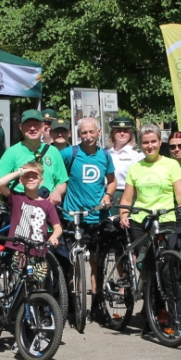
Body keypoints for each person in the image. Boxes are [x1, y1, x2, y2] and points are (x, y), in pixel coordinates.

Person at [53, 117, 117, 294]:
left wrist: (108, 195)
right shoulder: (69, 153)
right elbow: (57, 176)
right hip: (72, 217)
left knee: (97, 262)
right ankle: (73, 304)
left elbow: (111, 181)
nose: (88, 136)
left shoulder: (104, 155)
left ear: (98, 133)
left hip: (98, 216)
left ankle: (97, 303)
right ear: (78, 134)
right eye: (84, 132)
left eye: (91, 132)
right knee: (70, 263)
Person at [117, 126, 181, 257]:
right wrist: (123, 215)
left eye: (153, 141)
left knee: (167, 265)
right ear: (140, 145)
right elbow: (127, 198)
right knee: (146, 264)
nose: (150, 146)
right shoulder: (135, 168)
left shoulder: (172, 165)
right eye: (145, 142)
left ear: (160, 142)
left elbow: (180, 193)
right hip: (140, 221)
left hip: (165, 219)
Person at [0, 110, 68, 210]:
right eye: (28, 125)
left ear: (43, 127)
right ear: (21, 128)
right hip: (20, 208)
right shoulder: (12, 152)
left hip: (47, 208)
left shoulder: (53, 151)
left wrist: (57, 193)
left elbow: (62, 181)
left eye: (36, 124)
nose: (32, 128)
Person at [0, 162, 63, 255]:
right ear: (21, 180)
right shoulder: (16, 198)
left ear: (41, 181)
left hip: (39, 251)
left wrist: (54, 237)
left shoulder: (47, 205)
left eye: (35, 177)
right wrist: (21, 172)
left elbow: (57, 227)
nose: (31, 179)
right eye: (27, 176)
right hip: (17, 248)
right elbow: (0, 183)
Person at [104, 115, 144, 190]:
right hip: (105, 193)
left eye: (126, 131)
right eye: (118, 130)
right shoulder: (105, 152)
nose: (122, 133)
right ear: (112, 133)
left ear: (131, 134)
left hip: (127, 193)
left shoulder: (137, 154)